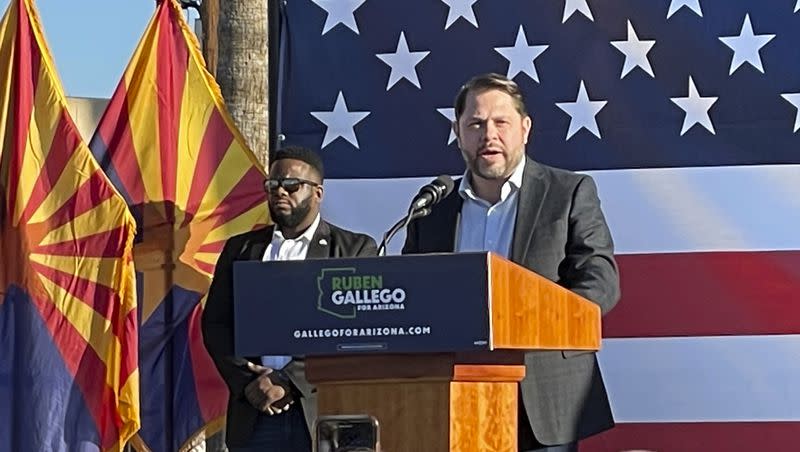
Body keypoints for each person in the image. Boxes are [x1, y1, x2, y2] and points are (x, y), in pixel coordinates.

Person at [402, 73, 620, 452]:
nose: (489, 134)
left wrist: (543, 321)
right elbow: (410, 292)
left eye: (501, 122)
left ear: (525, 128)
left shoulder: (568, 192)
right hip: (452, 397)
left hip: (543, 393)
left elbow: (599, 281)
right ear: (458, 133)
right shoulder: (434, 209)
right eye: (475, 124)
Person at [202, 145, 378, 452]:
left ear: (318, 192)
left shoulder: (354, 250)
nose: (280, 192)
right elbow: (216, 324)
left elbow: (353, 332)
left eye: (291, 185)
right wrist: (249, 382)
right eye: (272, 185)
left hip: (321, 412)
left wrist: (288, 381)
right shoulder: (241, 250)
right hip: (255, 414)